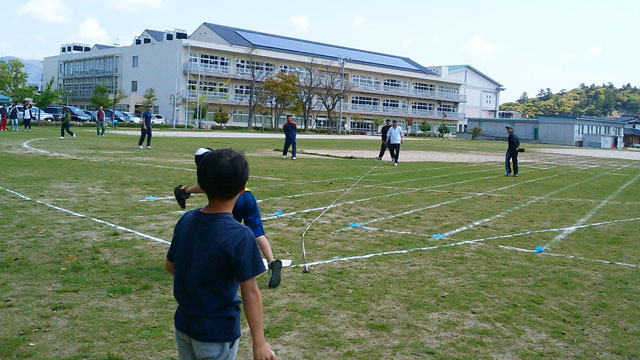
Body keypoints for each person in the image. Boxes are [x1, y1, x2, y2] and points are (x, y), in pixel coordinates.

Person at [166, 148, 276, 360]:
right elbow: (251, 292)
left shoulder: (186, 219)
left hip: (184, 325)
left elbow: (171, 266)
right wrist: (259, 343)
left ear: (202, 186)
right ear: (244, 187)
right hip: (217, 333)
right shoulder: (242, 235)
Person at [174, 148, 283, 289]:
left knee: (225, 233)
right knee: (258, 233)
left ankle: (218, 262)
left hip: (235, 200)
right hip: (249, 196)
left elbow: (206, 186)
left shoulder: (212, 172)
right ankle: (271, 261)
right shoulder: (228, 164)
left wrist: (186, 190)